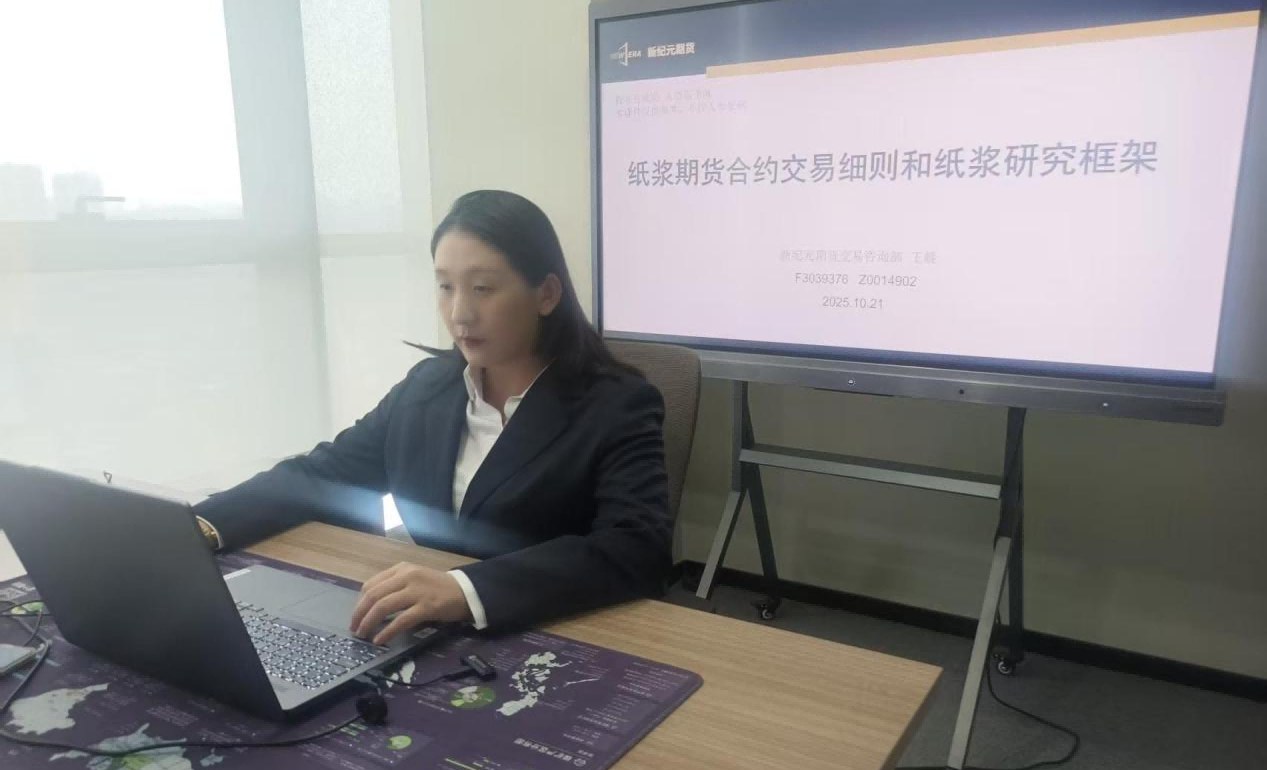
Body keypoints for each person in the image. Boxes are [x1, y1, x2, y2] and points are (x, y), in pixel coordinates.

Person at [193, 190, 673, 643]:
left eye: (483, 288)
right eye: (445, 287)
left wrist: (466, 590)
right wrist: (204, 527)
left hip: (554, 633)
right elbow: (321, 476)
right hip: (421, 631)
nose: (459, 313)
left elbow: (636, 550)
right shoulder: (427, 388)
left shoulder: (617, 404)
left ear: (546, 294)